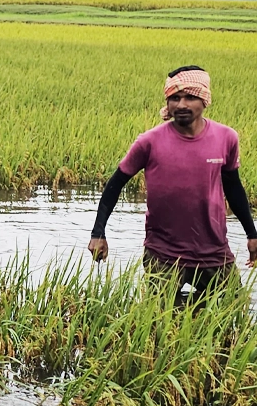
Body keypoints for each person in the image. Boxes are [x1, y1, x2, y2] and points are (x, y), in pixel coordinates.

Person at [88, 65, 257, 299]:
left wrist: (252, 234)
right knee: (159, 324)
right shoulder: (149, 141)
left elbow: (234, 187)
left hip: (214, 253)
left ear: (205, 99)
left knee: (233, 312)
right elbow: (115, 185)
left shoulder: (226, 138)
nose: (182, 104)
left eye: (190, 97)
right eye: (174, 98)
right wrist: (98, 232)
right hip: (163, 255)